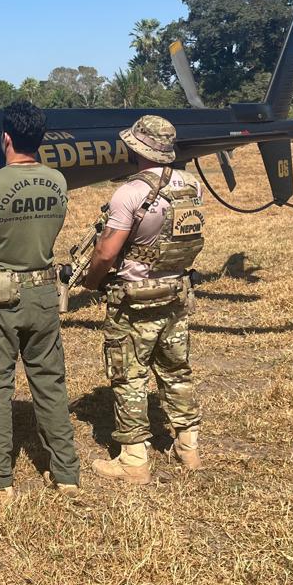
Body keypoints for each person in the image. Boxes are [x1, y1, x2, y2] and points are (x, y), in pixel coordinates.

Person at [0, 101, 81, 497]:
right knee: (50, 383)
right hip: (44, 293)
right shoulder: (58, 181)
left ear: (5, 137)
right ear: (40, 139)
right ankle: (66, 474)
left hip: (1, 296)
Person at [82, 115, 205, 484]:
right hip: (177, 293)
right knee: (176, 370)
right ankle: (189, 447)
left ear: (134, 148)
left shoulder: (130, 193)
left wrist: (91, 280)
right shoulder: (191, 187)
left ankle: (133, 460)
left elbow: (107, 253)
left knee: (129, 376)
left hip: (135, 300)